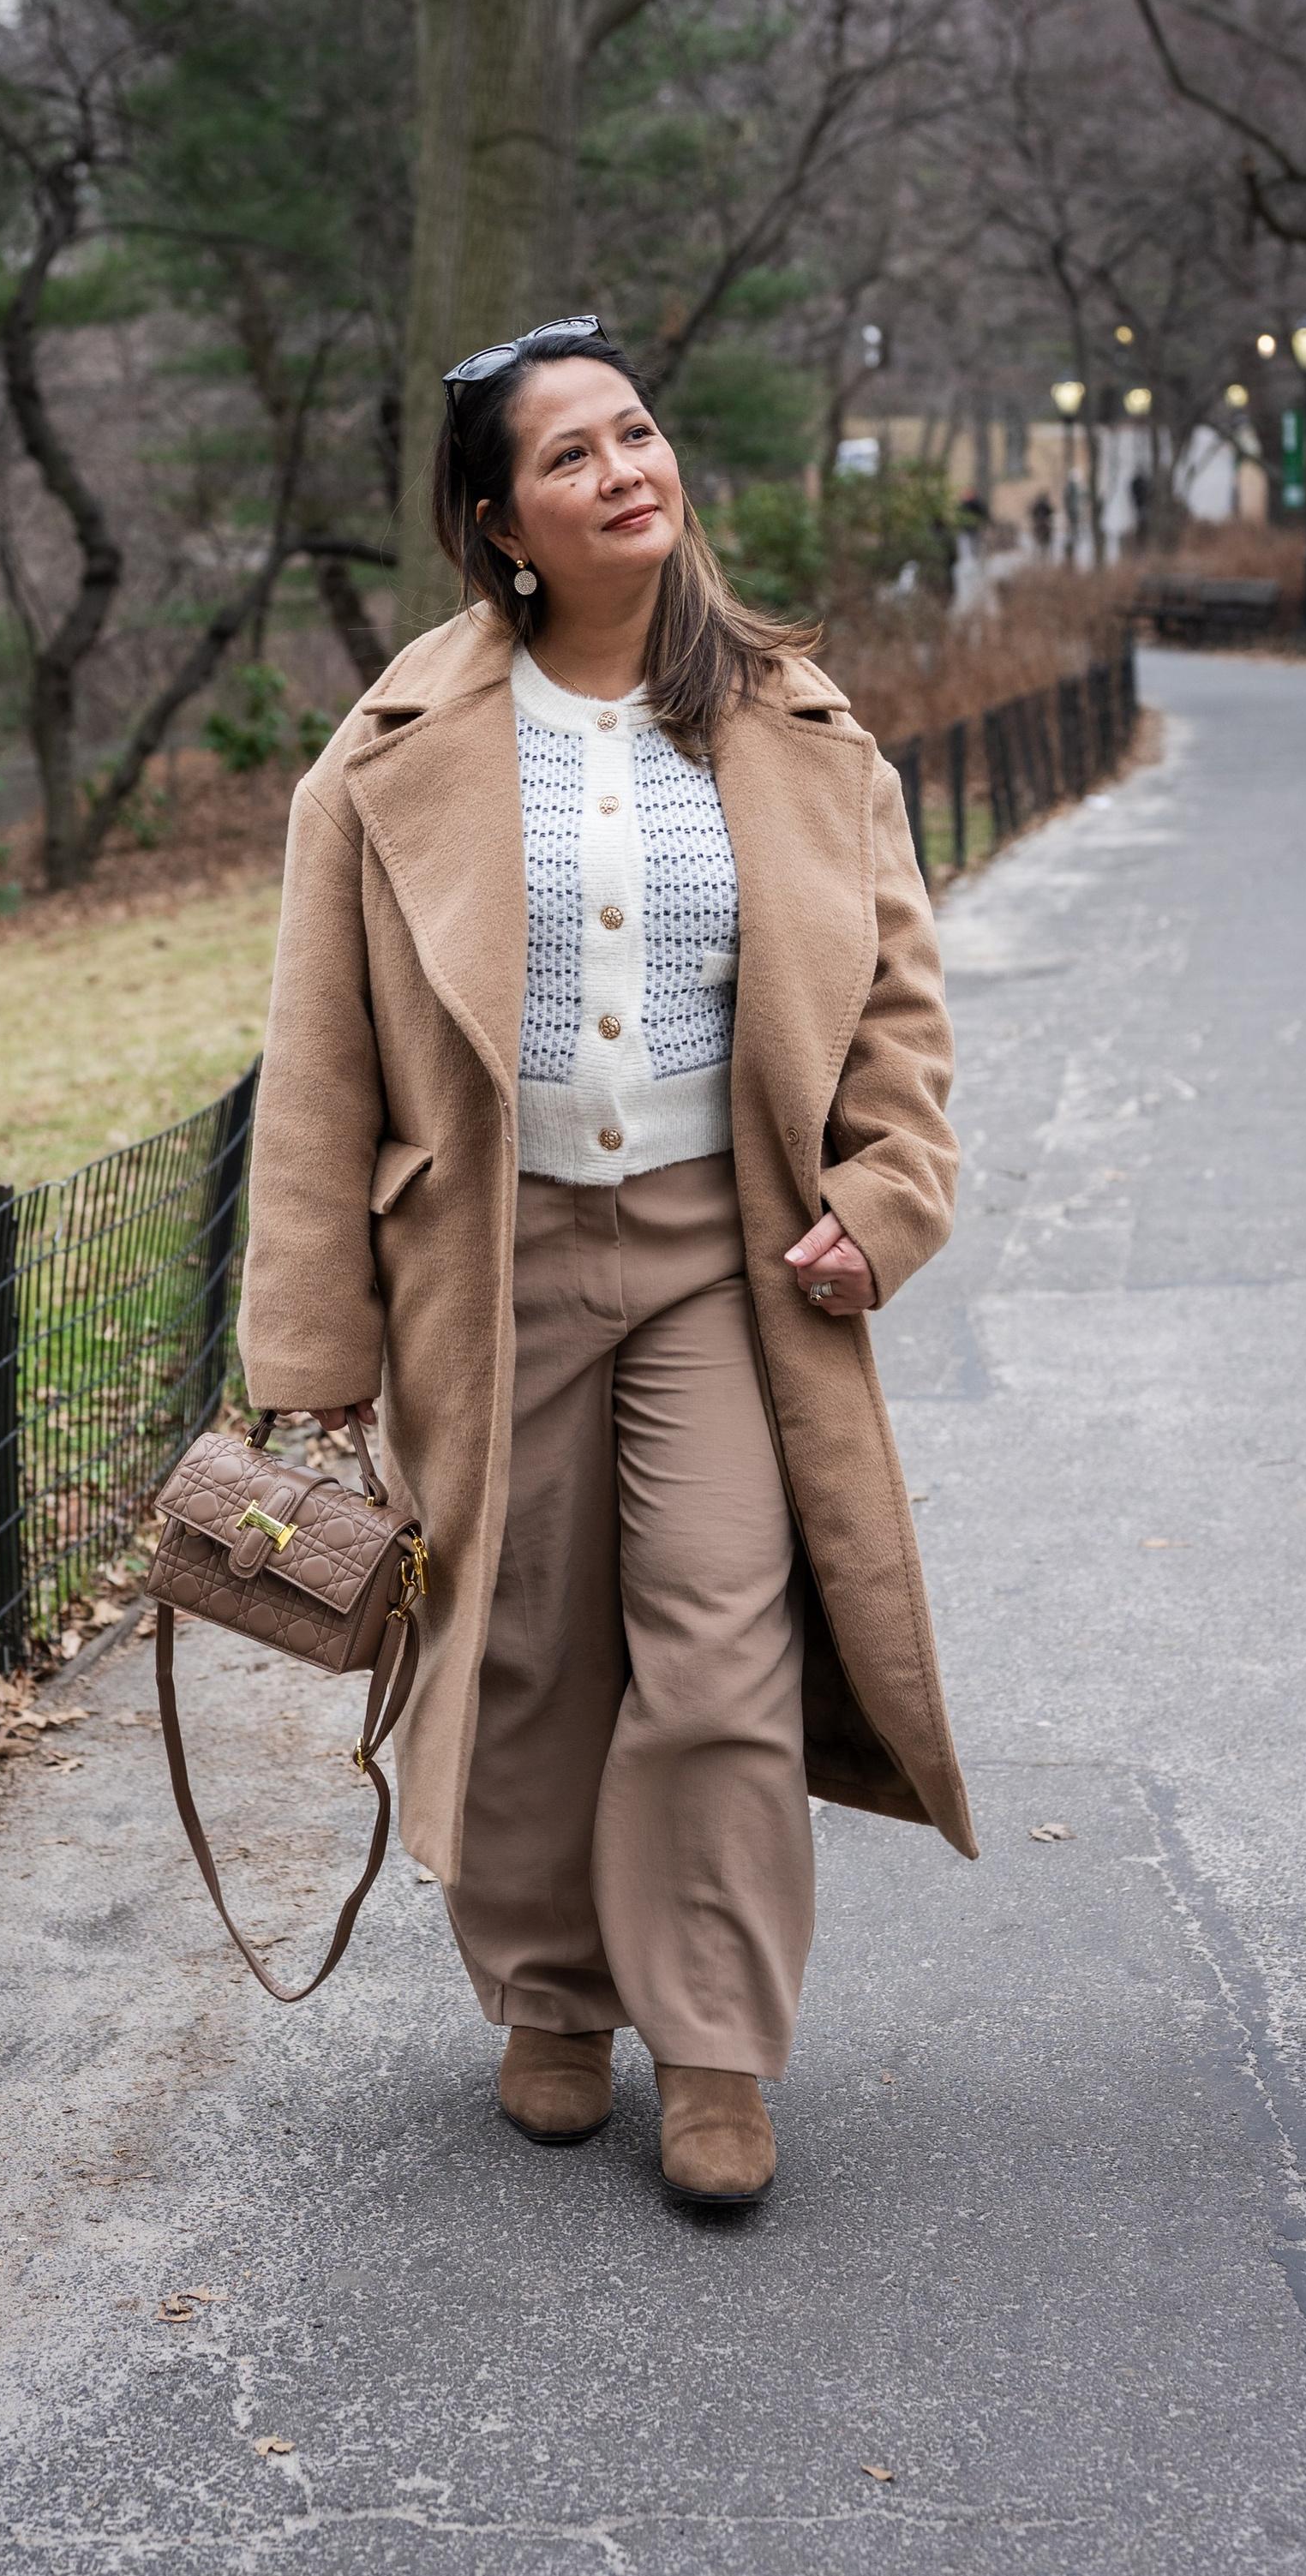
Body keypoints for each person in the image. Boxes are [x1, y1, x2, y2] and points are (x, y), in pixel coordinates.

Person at [237, 317, 972, 2210]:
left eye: (634, 433)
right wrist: (307, 1350)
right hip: (487, 1265)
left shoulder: (806, 729)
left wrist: (882, 1197)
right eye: (568, 458)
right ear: (500, 525)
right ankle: (552, 1997)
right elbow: (316, 1067)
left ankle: (715, 2038)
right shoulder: (390, 748)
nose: (622, 470)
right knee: (530, 1640)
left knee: (722, 1644)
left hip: (729, 1266)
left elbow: (897, 1017)